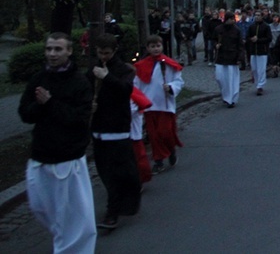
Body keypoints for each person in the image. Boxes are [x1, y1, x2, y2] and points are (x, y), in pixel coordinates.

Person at [18, 32, 97, 253]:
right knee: (41, 208)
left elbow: (79, 120)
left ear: (69, 51)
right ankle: (63, 239)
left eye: (58, 49)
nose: (52, 54)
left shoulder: (79, 82)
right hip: (40, 154)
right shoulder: (38, 79)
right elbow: (25, 113)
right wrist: (40, 106)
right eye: (49, 49)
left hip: (67, 158)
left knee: (72, 217)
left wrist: (50, 103)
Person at [86, 33, 140, 230]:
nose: (103, 56)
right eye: (100, 53)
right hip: (98, 127)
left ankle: (113, 211)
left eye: (107, 53)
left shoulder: (124, 69)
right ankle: (117, 204)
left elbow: (125, 89)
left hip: (118, 127)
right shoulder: (94, 67)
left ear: (114, 51)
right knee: (105, 172)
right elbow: (85, 88)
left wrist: (106, 77)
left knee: (118, 172)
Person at [134, 35, 184, 174]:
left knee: (165, 132)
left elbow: (178, 81)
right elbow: (136, 85)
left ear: (162, 47)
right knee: (154, 135)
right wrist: (138, 101)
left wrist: (171, 87)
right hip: (149, 105)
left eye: (158, 46)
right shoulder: (141, 65)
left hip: (165, 105)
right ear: (148, 48)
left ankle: (170, 149)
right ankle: (158, 160)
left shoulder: (169, 64)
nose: (155, 49)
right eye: (152, 46)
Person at [214, 14, 243, 105]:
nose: (233, 21)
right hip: (221, 57)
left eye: (233, 19)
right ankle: (225, 95)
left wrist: (239, 58)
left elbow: (240, 45)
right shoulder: (218, 29)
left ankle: (232, 99)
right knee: (220, 78)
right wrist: (216, 45)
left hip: (232, 57)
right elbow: (214, 39)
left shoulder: (237, 30)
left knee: (231, 80)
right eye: (231, 19)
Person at [247, 9, 273, 95]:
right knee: (254, 69)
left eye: (259, 15)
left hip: (262, 50)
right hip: (253, 51)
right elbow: (248, 37)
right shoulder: (251, 26)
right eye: (256, 15)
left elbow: (269, 38)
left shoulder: (266, 26)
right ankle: (257, 82)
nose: (257, 17)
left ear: (262, 16)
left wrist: (258, 40)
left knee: (261, 69)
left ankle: (260, 85)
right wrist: (251, 39)